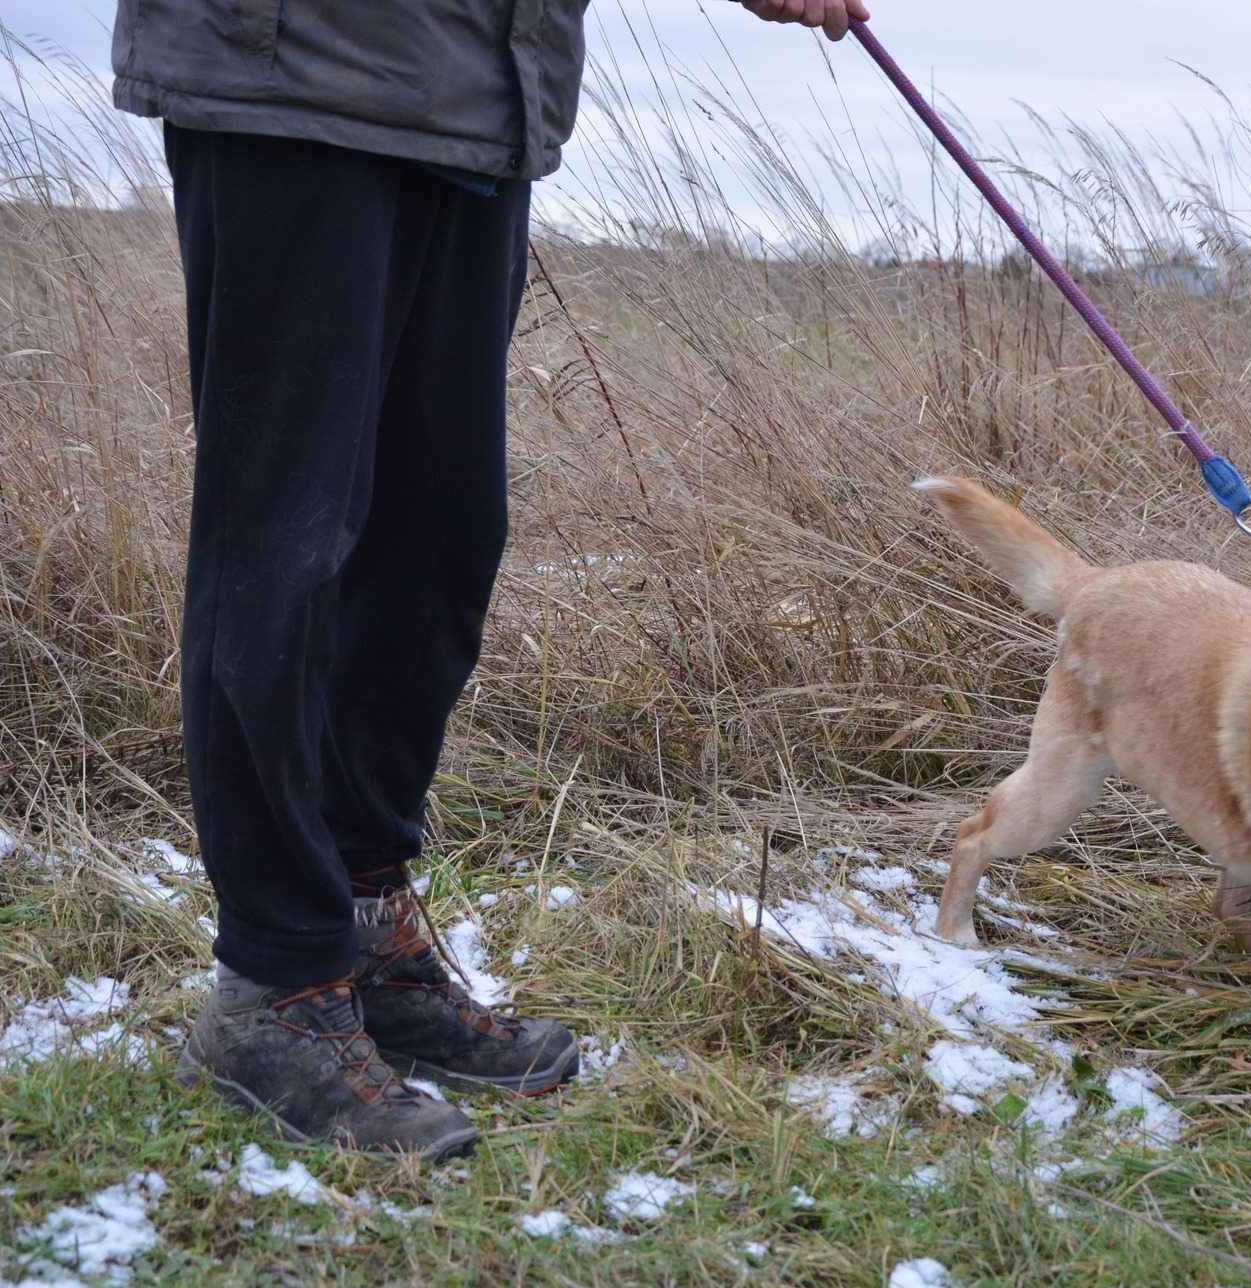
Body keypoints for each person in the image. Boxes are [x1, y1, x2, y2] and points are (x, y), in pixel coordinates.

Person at [111, 0, 873, 1160]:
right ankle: (273, 982)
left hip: (475, 96)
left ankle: (365, 923)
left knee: (437, 540)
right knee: (283, 545)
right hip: (296, 76)